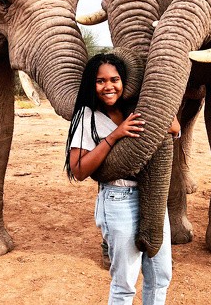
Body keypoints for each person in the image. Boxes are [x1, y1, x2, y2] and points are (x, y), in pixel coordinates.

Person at [64, 53, 178, 305]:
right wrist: (114, 136)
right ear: (90, 85)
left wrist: (170, 124)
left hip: (153, 196)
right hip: (118, 199)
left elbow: (172, 130)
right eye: (100, 81)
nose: (108, 86)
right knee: (125, 283)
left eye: (114, 79)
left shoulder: (135, 108)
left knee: (160, 276)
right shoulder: (87, 116)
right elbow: (79, 169)